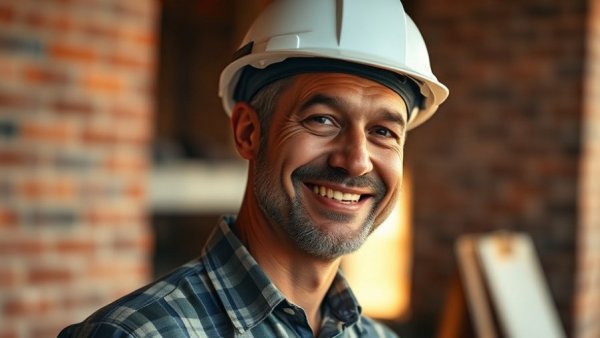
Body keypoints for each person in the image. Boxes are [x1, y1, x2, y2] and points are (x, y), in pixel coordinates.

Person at [58, 0, 448, 337]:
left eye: (383, 131)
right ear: (248, 132)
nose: (356, 159)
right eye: (323, 119)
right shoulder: (136, 334)